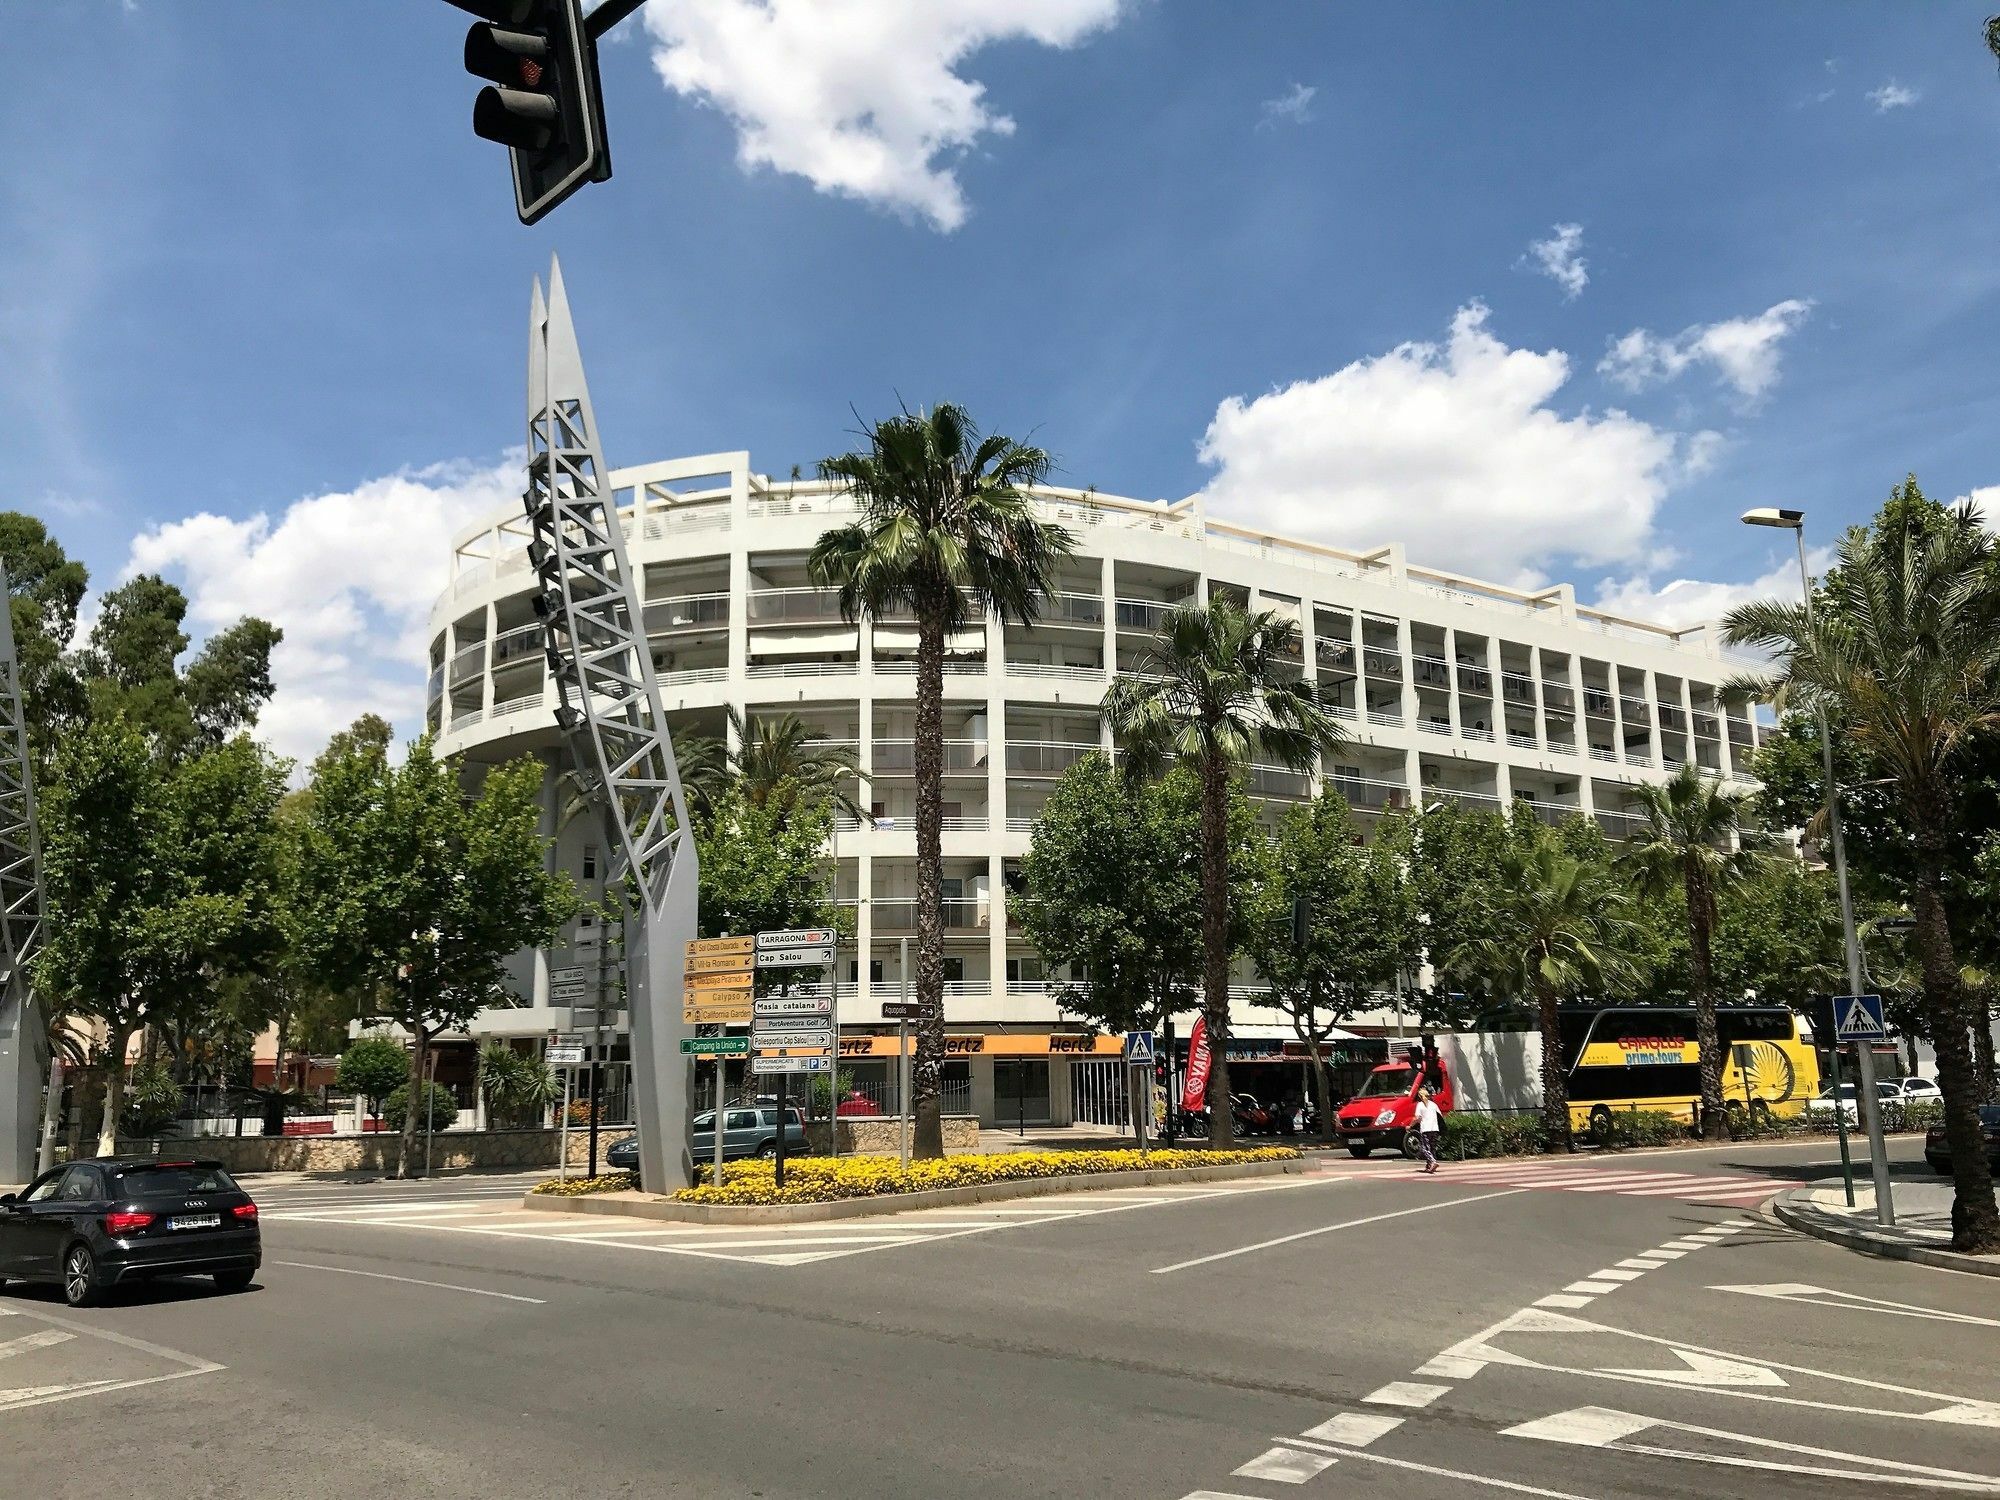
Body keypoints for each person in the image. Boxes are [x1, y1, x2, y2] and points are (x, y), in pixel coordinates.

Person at [1413, 1086, 1443, 1174]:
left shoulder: (1420, 1105)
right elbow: (1440, 1116)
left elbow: (1417, 1118)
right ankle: (1429, 1166)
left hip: (1425, 1129)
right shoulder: (1434, 1105)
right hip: (1435, 1129)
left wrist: (1410, 1126)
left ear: (1419, 1096)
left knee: (1424, 1148)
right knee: (1432, 1148)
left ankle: (1433, 1162)